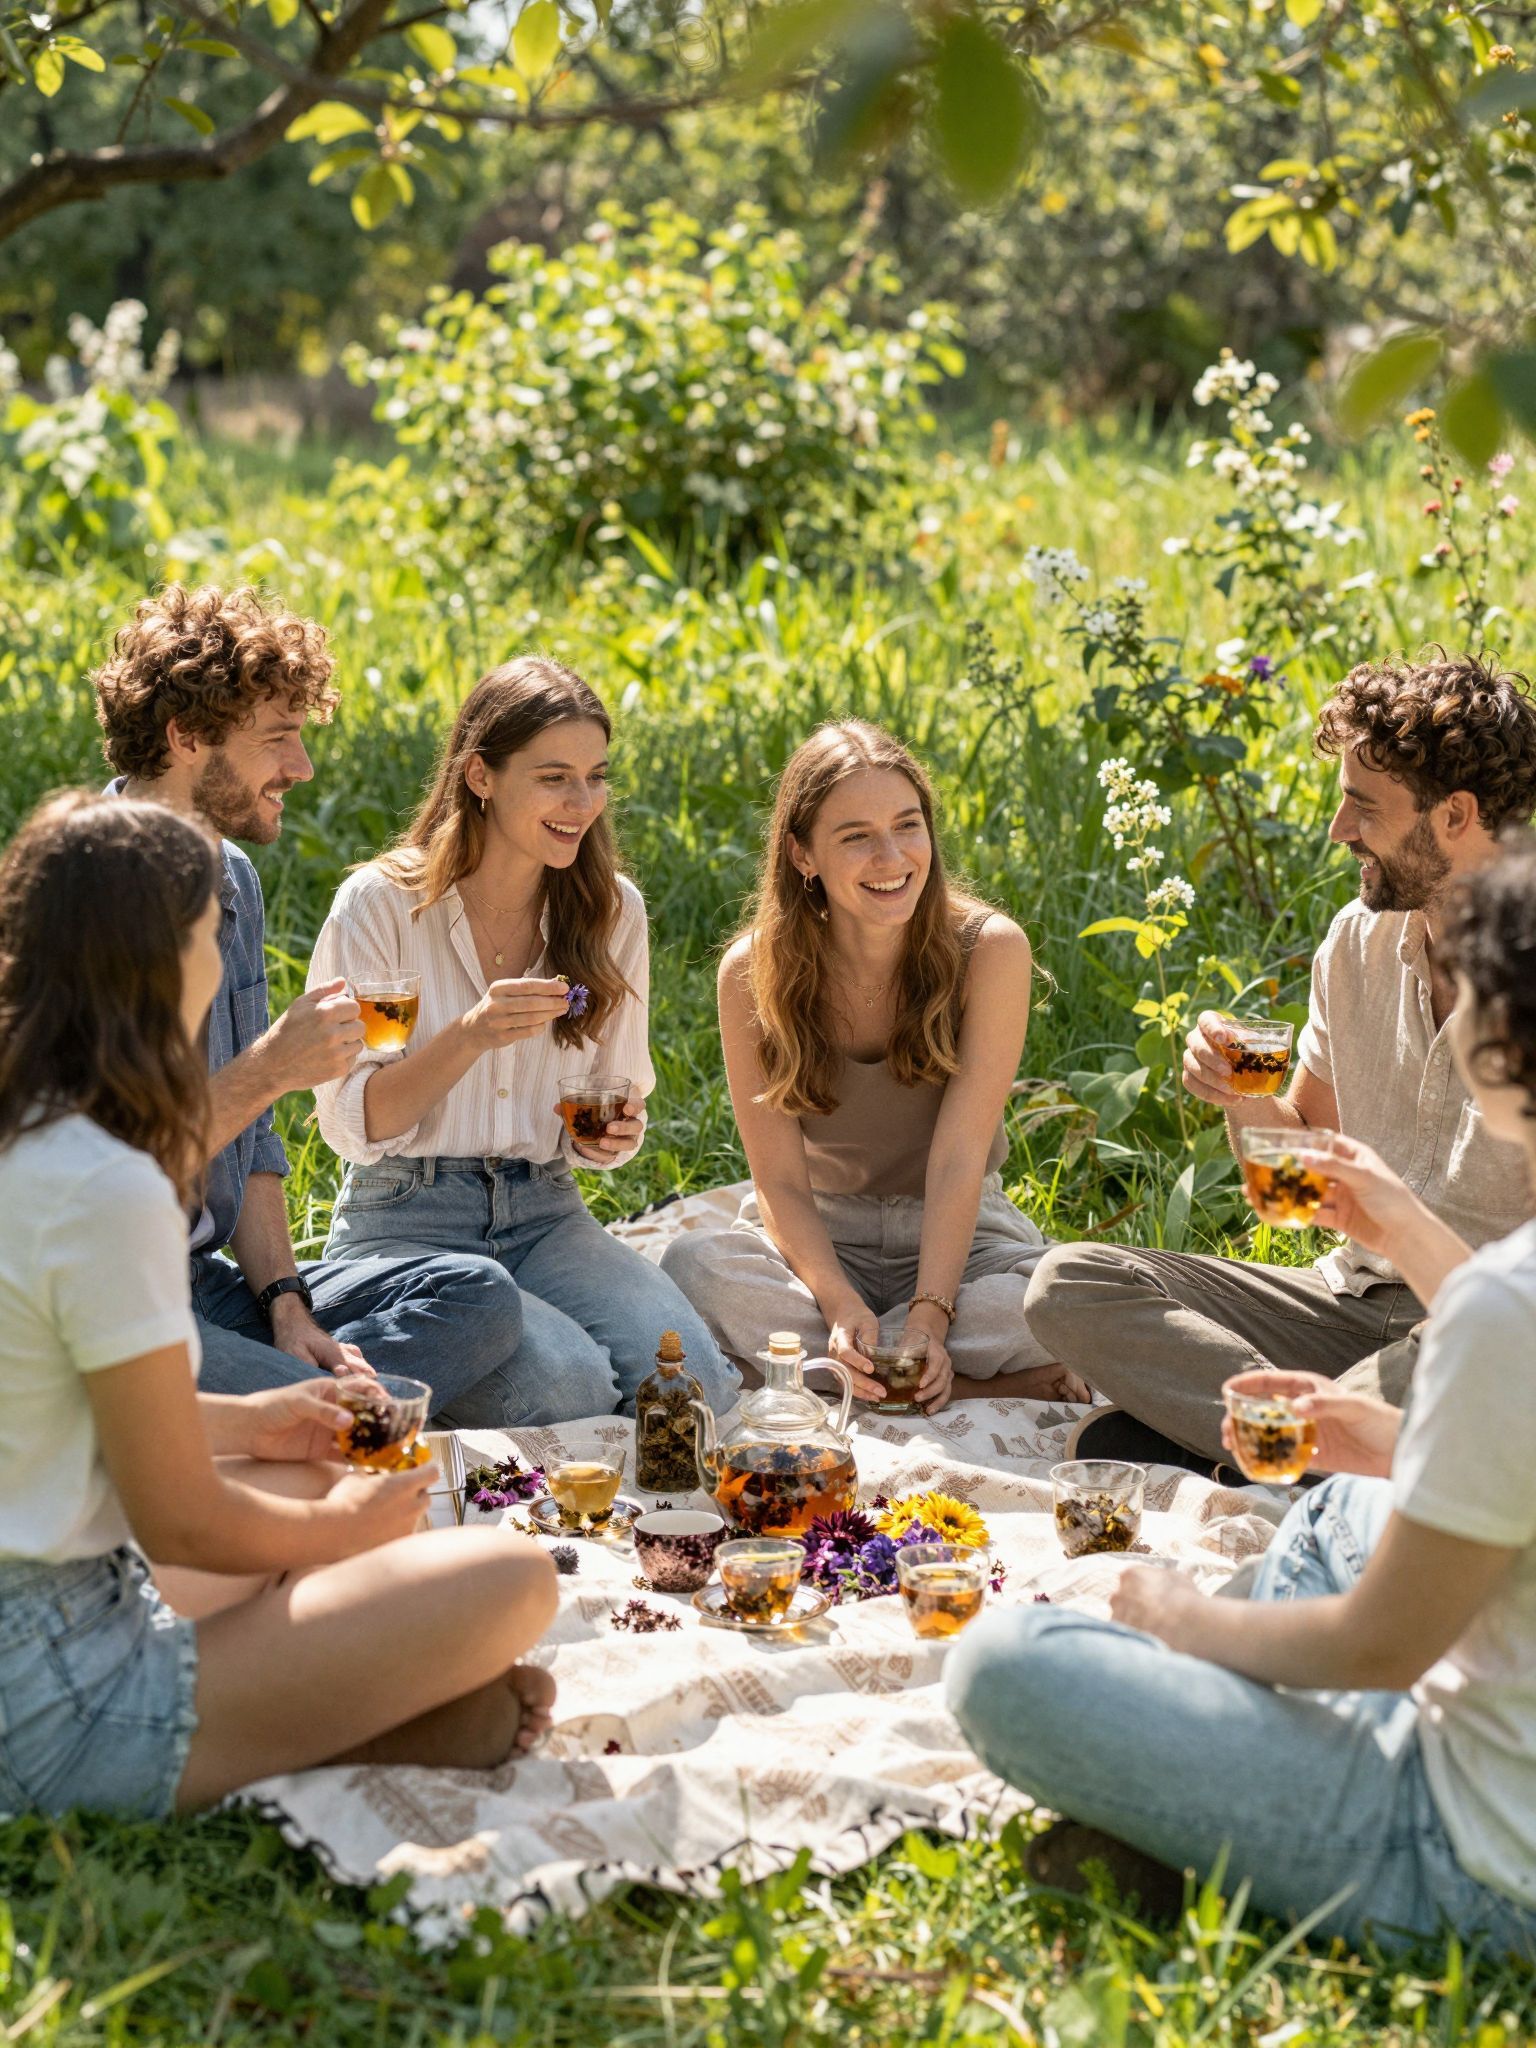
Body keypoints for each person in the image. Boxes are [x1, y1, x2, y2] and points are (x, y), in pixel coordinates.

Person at [948, 832, 1536, 1954]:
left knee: (1002, 1665)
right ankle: (1204, 1780)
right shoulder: (1506, 1306)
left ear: (1500, 1046)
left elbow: (1380, 1650)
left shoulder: (1504, 1309)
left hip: (1471, 1847)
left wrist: (1186, 1617)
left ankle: (1187, 1807)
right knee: (1332, 1504)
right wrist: (1401, 1438)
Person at [0, 791, 557, 1821]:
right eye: (213, 937)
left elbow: (45, 1407)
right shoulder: (109, 1179)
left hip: (44, 1596)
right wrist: (348, 1529)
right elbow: (181, 1513)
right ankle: (341, 1722)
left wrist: (254, 1418)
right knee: (511, 1574)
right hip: (56, 1699)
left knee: (295, 1465)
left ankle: (322, 1701)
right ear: (165, 961)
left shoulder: (28, 1129)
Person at [1024, 652, 1536, 1468]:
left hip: (1480, 1327)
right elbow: (1290, 1192)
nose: (1339, 832)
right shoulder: (1356, 941)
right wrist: (1240, 1092)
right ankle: (1317, 1450)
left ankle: (1264, 1443)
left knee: (1453, 1374)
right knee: (1069, 1285)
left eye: (1363, 808)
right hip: (1340, 1302)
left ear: (1455, 814)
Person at [94, 584, 525, 1426]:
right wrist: (269, 1070)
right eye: (277, 739)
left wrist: (289, 1304)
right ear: (186, 738)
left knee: (479, 1297)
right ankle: (252, 1418)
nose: (303, 768)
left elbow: (252, 1146)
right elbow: (108, 1179)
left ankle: (252, 1400)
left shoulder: (231, 882)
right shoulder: (86, 894)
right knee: (363, 1417)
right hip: (105, 1297)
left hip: (200, 1279)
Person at [308, 655, 739, 1424]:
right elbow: (355, 1119)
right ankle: (367, 1347)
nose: (583, 803)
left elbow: (609, 1097)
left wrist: (616, 1135)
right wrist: (471, 1035)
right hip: (405, 1217)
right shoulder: (383, 908)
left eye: (597, 777)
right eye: (554, 779)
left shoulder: (610, 914)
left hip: (544, 1211)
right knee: (565, 1390)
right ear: (480, 776)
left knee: (689, 1384)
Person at [660, 720, 1090, 1412]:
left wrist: (930, 1316)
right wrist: (836, 1304)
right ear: (803, 855)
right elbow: (777, 1181)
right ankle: (966, 1383)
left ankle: (832, 1373)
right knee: (692, 1267)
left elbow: (958, 1160)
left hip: (963, 1230)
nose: (891, 857)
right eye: (856, 836)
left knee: (1063, 1296)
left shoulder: (989, 950)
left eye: (907, 825)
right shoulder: (752, 971)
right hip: (826, 1232)